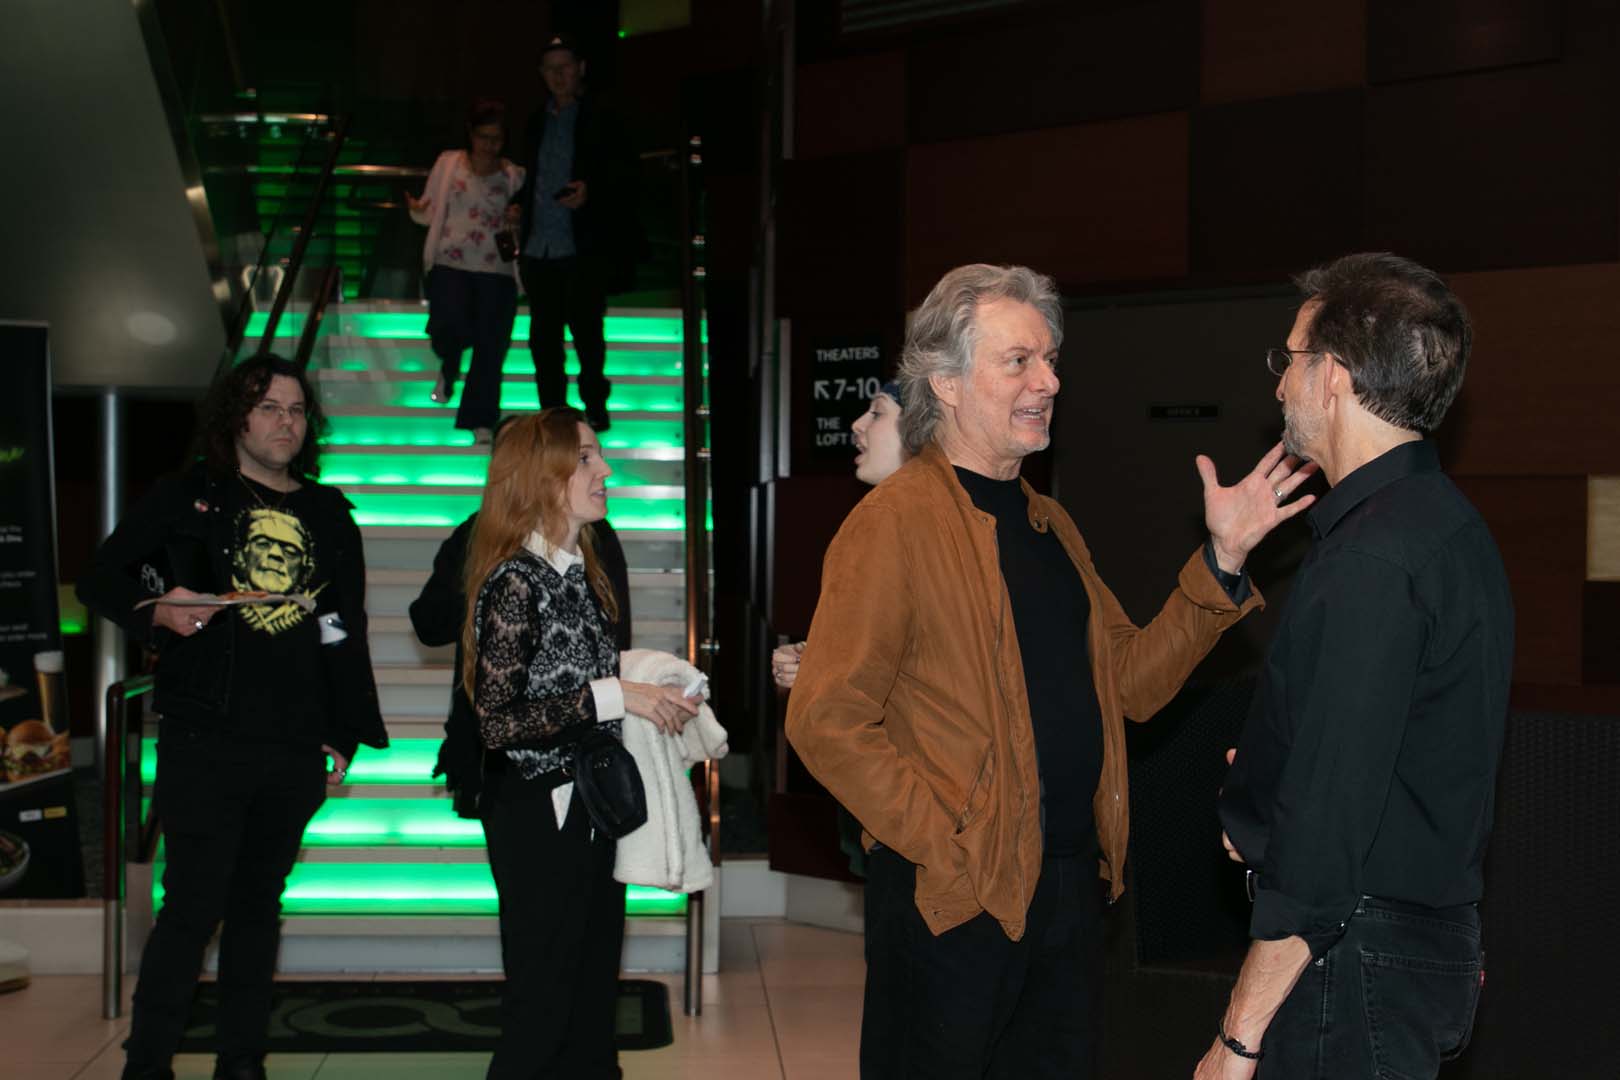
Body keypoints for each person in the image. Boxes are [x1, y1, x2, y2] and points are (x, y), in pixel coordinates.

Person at [785, 263, 1315, 1078]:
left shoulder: (1049, 525)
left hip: (1065, 891)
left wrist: (1223, 557)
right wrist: (947, 843)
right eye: (1019, 361)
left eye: (1050, 359)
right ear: (948, 385)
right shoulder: (892, 522)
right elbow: (827, 718)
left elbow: (1130, 681)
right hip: (953, 900)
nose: (1049, 381)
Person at [1195, 254, 1514, 1080]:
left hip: (1349, 964)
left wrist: (1238, 1037)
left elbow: (1328, 835)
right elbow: (1397, 758)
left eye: (1289, 360)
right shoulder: (1446, 527)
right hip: (1404, 956)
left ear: (1331, 376)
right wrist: (1264, 804)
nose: (1278, 388)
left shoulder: (1373, 558)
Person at [78, 354, 387, 1080]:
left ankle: (242, 1062)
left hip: (292, 747)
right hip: (204, 738)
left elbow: (343, 627)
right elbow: (100, 576)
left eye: (297, 410)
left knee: (257, 912)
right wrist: (155, 609)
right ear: (236, 418)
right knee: (190, 910)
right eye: (269, 407)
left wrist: (340, 731)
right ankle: (146, 1062)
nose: (286, 421)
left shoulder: (329, 513)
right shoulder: (186, 497)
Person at [464, 407, 698, 1079]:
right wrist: (615, 695)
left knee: (592, 1000)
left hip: (591, 809)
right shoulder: (514, 582)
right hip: (537, 814)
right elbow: (498, 722)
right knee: (543, 1009)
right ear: (545, 475)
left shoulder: (578, 574)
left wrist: (653, 686)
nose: (606, 470)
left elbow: (575, 679)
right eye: (589, 457)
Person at [409, 419, 634, 819]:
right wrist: (503, 605)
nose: (603, 469)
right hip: (519, 774)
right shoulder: (497, 560)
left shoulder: (592, 543)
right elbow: (429, 625)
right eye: (582, 457)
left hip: (589, 772)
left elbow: (615, 641)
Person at [510, 35, 639, 432]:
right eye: (550, 69)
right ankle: (553, 410)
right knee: (543, 337)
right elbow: (528, 175)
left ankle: (595, 403)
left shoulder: (602, 116)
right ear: (541, 74)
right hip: (538, 246)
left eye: (565, 67)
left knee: (586, 331)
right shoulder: (535, 120)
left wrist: (590, 192)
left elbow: (625, 174)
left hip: (582, 243)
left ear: (580, 68)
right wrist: (518, 204)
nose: (558, 75)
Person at [770, 379, 906, 690]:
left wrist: (824, 669)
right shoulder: (887, 523)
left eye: (878, 412)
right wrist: (817, 659)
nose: (858, 424)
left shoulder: (933, 529)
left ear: (922, 427)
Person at [407, 99, 526, 444]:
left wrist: (518, 218)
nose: (490, 145)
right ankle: (449, 363)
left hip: (497, 268)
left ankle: (481, 418)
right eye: (484, 137)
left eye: (496, 138)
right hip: (450, 262)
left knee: (491, 346)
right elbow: (428, 212)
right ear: (471, 135)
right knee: (448, 323)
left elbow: (521, 217)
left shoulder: (513, 174)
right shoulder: (449, 163)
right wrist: (416, 211)